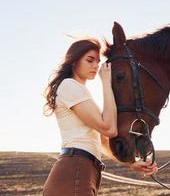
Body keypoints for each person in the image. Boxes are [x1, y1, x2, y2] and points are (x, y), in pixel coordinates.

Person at [43, 38, 157, 196]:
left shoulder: (80, 92)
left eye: (97, 62)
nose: (96, 66)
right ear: (74, 61)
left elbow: (102, 140)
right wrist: (106, 83)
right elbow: (109, 128)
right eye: (90, 60)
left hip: (84, 170)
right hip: (76, 168)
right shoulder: (69, 86)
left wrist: (132, 164)